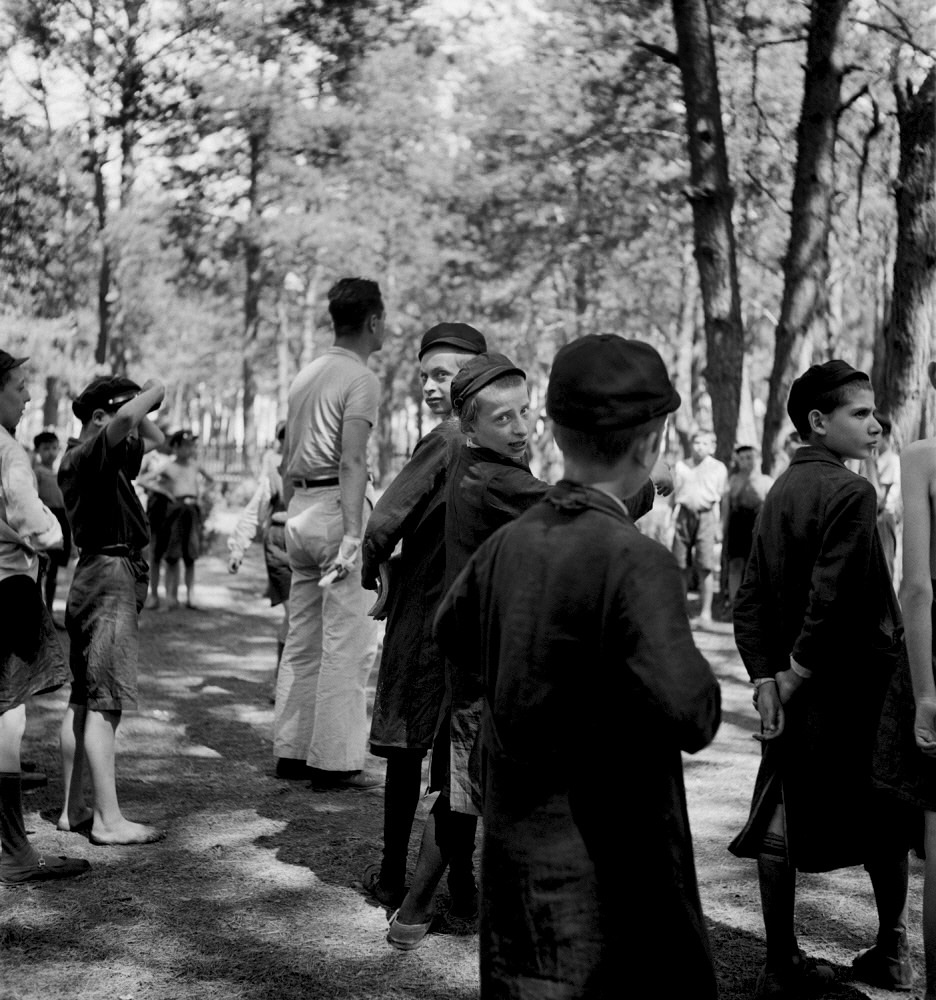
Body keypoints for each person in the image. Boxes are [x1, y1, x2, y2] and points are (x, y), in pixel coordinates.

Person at [435, 335, 721, 997]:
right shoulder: (636, 562)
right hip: (615, 879)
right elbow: (695, 712)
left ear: (556, 433)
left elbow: (452, 628)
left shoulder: (510, 542)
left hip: (518, 876)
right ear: (652, 444)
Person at [731, 360, 912, 998]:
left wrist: (766, 681)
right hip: (854, 687)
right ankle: (892, 951)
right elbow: (831, 600)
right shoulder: (852, 493)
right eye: (860, 413)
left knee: (781, 809)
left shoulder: (779, 489)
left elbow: (747, 599)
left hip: (793, 689)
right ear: (817, 422)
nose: (877, 423)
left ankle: (782, 962)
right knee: (885, 817)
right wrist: (796, 674)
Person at [385, 350, 550, 950]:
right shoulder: (492, 476)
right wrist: (641, 485)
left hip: (490, 655)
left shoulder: (477, 466)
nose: (521, 427)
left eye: (526, 412)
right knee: (462, 793)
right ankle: (413, 908)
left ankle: (425, 908)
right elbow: (571, 513)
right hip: (484, 666)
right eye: (503, 419)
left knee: (470, 789)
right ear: (470, 428)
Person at [360, 322, 487, 909]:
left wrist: (375, 570)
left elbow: (383, 521)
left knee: (409, 752)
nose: (433, 387)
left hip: (426, 616)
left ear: (477, 373)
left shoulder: (445, 439)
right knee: (459, 758)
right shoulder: (499, 440)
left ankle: (393, 878)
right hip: (475, 619)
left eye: (446, 373)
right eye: (426, 376)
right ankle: (461, 883)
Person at [274, 276, 384, 789]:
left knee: (302, 639)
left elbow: (284, 455)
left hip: (298, 508)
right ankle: (335, 761)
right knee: (348, 641)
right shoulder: (359, 378)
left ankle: (292, 750)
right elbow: (353, 459)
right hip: (334, 511)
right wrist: (354, 534)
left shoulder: (306, 374)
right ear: (373, 321)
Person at [56, 374, 168, 846]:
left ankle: (72, 808)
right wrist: (154, 391)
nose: (135, 428)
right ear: (99, 418)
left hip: (96, 575)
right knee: (106, 702)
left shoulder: (99, 457)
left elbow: (151, 434)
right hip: (108, 578)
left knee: (83, 697)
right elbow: (126, 418)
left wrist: (139, 410)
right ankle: (107, 820)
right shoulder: (88, 454)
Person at [0, 350, 90, 885]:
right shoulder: (9, 451)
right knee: (8, 716)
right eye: (17, 387)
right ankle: (13, 852)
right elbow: (31, 517)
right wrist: (57, 538)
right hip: (8, 587)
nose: (28, 397)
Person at [227, 420, 291, 697]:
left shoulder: (327, 468)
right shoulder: (275, 474)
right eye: (285, 438)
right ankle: (283, 684)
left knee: (307, 618)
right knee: (295, 615)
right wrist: (238, 547)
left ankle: (300, 682)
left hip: (314, 549)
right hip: (280, 545)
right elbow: (256, 509)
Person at [672, 429, 728, 626]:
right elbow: (673, 495)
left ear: (712, 447)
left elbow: (723, 499)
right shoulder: (681, 466)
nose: (700, 447)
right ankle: (680, 611)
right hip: (684, 515)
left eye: (705, 443)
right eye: (697, 443)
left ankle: (705, 613)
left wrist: (721, 525)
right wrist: (670, 521)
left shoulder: (718, 468)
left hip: (707, 516)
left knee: (705, 565)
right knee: (680, 565)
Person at [153, 429, 213, 609]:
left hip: (192, 510)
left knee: (190, 555)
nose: (190, 450)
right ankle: (171, 596)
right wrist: (164, 490)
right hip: (175, 510)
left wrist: (201, 494)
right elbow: (144, 480)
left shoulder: (194, 465)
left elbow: (211, 479)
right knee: (172, 555)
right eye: (186, 446)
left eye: (192, 446)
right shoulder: (169, 466)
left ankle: (191, 596)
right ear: (176, 447)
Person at [723, 444, 773, 608]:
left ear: (758, 459)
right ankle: (733, 604)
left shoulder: (767, 481)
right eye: (742, 459)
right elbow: (727, 504)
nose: (746, 462)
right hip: (737, 524)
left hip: (759, 525)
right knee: (735, 564)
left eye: (749, 457)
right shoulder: (734, 479)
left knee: (757, 565)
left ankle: (755, 606)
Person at [33, 430, 72, 613]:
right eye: (46, 448)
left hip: (61, 520)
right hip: (44, 520)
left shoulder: (60, 473)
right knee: (40, 568)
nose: (51, 452)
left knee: (54, 570)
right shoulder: (37, 473)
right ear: (37, 450)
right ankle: (38, 612)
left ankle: (48, 610)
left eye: (54, 448)